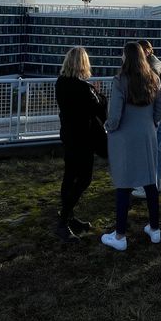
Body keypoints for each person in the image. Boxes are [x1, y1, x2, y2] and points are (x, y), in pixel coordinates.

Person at [102, 42, 161, 251]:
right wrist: (151, 125)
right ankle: (155, 229)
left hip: (125, 138)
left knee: (124, 183)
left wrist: (108, 127)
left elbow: (115, 114)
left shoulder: (120, 81)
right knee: (150, 182)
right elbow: (160, 110)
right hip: (147, 135)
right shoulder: (153, 78)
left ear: (126, 58)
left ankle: (120, 236)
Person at [54, 46, 105, 242]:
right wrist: (98, 95)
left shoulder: (60, 83)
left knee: (69, 177)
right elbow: (102, 111)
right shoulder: (85, 89)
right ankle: (64, 222)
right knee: (84, 179)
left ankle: (68, 217)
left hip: (68, 136)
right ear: (83, 64)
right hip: (84, 139)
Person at [131, 40, 161, 199]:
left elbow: (151, 95)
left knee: (149, 152)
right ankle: (155, 184)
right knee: (157, 151)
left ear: (147, 51)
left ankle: (148, 187)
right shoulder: (158, 64)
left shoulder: (152, 68)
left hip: (156, 115)